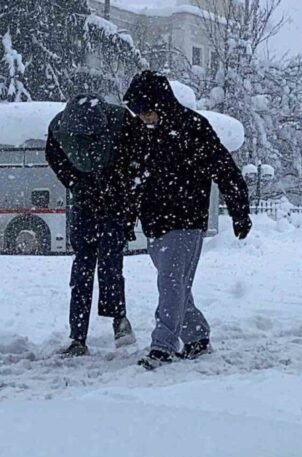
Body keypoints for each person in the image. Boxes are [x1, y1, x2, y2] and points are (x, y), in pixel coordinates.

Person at [122, 70, 252, 370]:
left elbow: (225, 170)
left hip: (185, 220)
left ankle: (163, 345)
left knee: (170, 284)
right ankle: (196, 336)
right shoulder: (143, 132)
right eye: (138, 112)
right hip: (154, 222)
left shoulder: (194, 127)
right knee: (177, 285)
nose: (143, 117)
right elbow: (133, 178)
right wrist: (128, 217)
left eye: (146, 110)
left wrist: (239, 211)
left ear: (161, 102)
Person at [45, 94, 142, 357]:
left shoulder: (123, 122)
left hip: (114, 202)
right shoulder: (59, 129)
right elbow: (56, 159)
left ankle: (117, 320)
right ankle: (80, 335)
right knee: (85, 269)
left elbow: (139, 158)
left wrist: (121, 187)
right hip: (89, 203)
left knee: (108, 264)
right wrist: (79, 184)